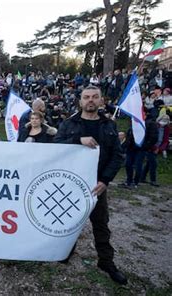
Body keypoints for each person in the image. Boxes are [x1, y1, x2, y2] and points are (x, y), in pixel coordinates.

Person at [54, 85, 127, 285]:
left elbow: (117, 156)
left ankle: (106, 261)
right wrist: (78, 140)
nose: (90, 100)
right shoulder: (69, 124)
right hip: (72, 185)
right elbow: (56, 145)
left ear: (101, 101)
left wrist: (105, 181)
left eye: (95, 97)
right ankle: (65, 251)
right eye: (86, 97)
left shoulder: (109, 125)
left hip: (97, 186)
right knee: (69, 221)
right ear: (80, 101)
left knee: (101, 225)